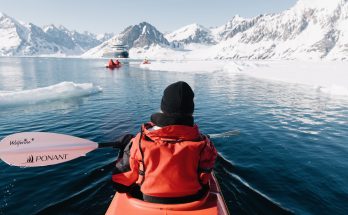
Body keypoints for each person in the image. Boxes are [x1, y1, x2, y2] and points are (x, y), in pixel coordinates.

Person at [112, 81, 217, 204]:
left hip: (149, 200)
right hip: (193, 199)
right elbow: (205, 179)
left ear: (163, 107)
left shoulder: (140, 141)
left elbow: (120, 184)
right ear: (191, 110)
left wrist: (125, 149)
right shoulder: (204, 144)